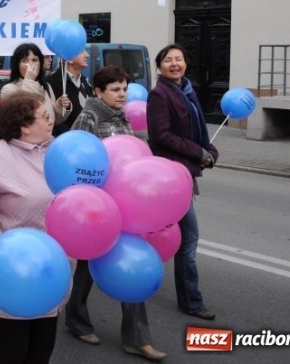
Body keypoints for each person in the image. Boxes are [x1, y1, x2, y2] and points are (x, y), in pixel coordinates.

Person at [0, 92, 69, 364]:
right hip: (8, 273)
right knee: (5, 354)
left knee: (40, 352)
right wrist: (9, 253)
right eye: (44, 116)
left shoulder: (60, 154)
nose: (51, 120)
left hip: (49, 274)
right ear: (24, 126)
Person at [68, 66, 165, 362]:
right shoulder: (89, 116)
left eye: (124, 88)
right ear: (98, 91)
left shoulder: (122, 119)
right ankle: (76, 320)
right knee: (85, 269)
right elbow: (76, 158)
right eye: (115, 89)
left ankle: (138, 338)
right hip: (96, 207)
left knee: (129, 265)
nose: (122, 94)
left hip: (124, 206)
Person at [146, 44, 218, 322]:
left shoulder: (187, 89)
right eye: (168, 60)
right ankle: (191, 301)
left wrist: (209, 151)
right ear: (160, 66)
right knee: (189, 238)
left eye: (179, 59)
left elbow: (197, 129)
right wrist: (196, 152)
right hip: (171, 175)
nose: (175, 64)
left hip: (185, 172)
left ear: (185, 63)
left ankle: (188, 297)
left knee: (186, 238)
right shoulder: (159, 94)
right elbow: (161, 136)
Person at [1, 43, 68, 124]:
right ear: (17, 65)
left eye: (34, 60)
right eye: (24, 61)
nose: (30, 64)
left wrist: (60, 106)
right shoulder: (9, 89)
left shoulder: (46, 86)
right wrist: (29, 81)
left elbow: (52, 120)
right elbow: (23, 116)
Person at [46, 48, 91, 136]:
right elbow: (54, 118)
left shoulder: (84, 81)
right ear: (69, 59)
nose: (87, 55)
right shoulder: (53, 82)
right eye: (81, 52)